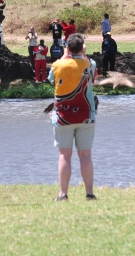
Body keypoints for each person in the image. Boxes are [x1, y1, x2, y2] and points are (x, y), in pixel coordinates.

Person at [48, 33, 97, 201]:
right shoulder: (90, 64)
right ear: (82, 47)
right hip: (86, 115)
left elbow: (51, 80)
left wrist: (64, 56)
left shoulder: (57, 65)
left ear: (67, 48)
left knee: (65, 154)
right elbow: (93, 76)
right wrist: (83, 55)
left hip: (63, 116)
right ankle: (89, 193)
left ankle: (63, 194)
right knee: (85, 155)